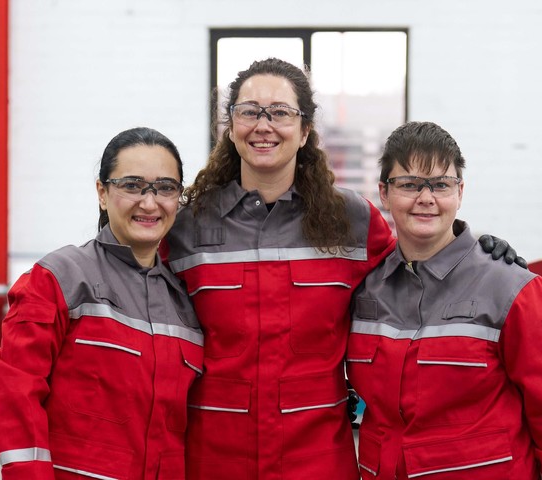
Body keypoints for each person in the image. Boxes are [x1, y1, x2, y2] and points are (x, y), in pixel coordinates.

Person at [161, 58, 521, 480]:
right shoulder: (187, 225)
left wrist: (478, 258)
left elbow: (413, 272)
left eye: (280, 112)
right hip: (212, 458)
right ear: (231, 126)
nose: (264, 124)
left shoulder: (350, 220)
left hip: (317, 460)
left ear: (305, 130)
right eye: (249, 111)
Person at [346, 121, 542, 480]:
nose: (426, 198)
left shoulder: (512, 288)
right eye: (409, 184)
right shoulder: (366, 289)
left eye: (441, 184)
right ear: (384, 193)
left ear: (460, 191)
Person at [0, 127, 203, 480]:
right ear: (102, 193)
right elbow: (15, 391)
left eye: (165, 188)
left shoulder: (185, 303)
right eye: (132, 185)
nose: (149, 203)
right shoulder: (60, 278)